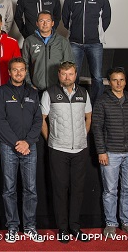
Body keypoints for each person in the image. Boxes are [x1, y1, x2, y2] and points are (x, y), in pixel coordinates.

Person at [40, 61, 92, 243]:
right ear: (59, 75)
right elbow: (42, 119)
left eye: (70, 74)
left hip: (80, 149)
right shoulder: (49, 94)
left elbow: (88, 117)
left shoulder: (83, 93)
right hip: (58, 150)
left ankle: (75, 227)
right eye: (64, 74)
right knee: (60, 190)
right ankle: (62, 228)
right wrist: (51, 140)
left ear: (75, 75)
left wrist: (81, 137)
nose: (67, 77)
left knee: (77, 191)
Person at [0, 57, 43, 243]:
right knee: (9, 189)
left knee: (30, 189)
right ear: (9, 72)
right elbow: (0, 121)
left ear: (26, 72)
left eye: (22, 70)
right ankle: (12, 226)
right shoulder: (1, 92)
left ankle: (30, 226)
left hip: (30, 148)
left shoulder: (33, 93)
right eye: (15, 70)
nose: (19, 73)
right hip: (8, 147)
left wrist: (28, 142)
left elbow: (38, 120)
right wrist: (17, 143)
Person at [92, 67, 128, 239]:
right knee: (110, 191)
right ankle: (111, 224)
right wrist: (101, 151)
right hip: (111, 153)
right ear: (109, 81)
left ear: (125, 81)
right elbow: (97, 128)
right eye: (115, 80)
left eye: (121, 80)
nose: (118, 83)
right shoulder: (102, 101)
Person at [62, 0, 112, 102]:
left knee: (97, 76)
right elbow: (66, 20)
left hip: (95, 43)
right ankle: (75, 102)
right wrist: (75, 32)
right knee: (73, 75)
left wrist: (95, 34)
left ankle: (97, 105)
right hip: (74, 43)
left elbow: (106, 19)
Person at [22, 11, 74, 92]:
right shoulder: (29, 41)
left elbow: (69, 65)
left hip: (57, 88)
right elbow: (24, 65)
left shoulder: (62, 41)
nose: (45, 24)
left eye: (48, 21)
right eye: (41, 21)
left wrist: (63, 85)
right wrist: (29, 84)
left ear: (52, 23)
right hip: (36, 89)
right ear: (37, 23)